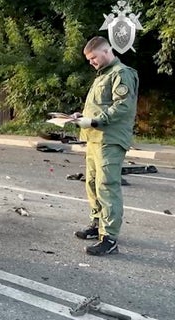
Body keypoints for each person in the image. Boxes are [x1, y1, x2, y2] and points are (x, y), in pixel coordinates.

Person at [71, 36, 139, 256]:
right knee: (91, 183)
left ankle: (109, 238)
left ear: (107, 51)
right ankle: (97, 224)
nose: (91, 62)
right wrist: (82, 117)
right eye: (89, 59)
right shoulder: (103, 75)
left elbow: (122, 107)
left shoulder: (121, 73)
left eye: (93, 57)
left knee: (107, 186)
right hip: (95, 139)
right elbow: (99, 106)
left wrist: (95, 120)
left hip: (110, 139)